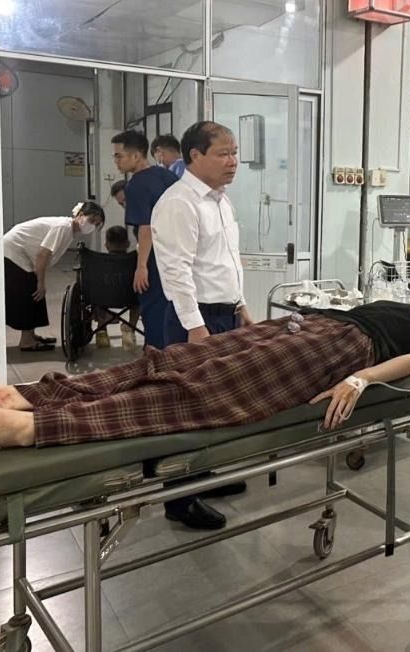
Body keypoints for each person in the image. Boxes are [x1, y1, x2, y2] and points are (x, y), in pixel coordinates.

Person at [0, 296, 410, 450]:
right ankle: (16, 396)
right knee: (172, 360)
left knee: (189, 393)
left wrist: (360, 380)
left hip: (332, 356)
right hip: (308, 330)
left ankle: (27, 429)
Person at [151, 121, 252, 529]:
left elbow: (225, 260)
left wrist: (241, 306)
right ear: (195, 156)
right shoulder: (180, 202)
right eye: (223, 154)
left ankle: (202, 474)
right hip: (195, 319)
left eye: (235, 153)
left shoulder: (220, 200)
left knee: (215, 402)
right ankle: (179, 499)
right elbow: (175, 271)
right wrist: (195, 327)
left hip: (223, 312)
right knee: (188, 407)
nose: (233, 162)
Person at [3, 202, 105, 351]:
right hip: (12, 253)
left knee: (35, 293)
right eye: (92, 220)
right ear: (81, 215)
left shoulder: (68, 229)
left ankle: (30, 335)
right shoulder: (63, 227)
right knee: (30, 292)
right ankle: (26, 341)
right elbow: (42, 255)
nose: (92, 226)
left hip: (19, 253)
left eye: (96, 224)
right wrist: (40, 282)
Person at [113, 129, 177, 351]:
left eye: (119, 156)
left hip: (155, 259)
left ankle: (156, 359)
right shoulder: (168, 176)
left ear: (136, 156)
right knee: (175, 310)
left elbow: (146, 227)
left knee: (154, 310)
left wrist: (141, 266)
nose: (116, 161)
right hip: (178, 255)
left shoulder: (137, 184)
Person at [93, 226, 140, 351]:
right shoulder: (135, 260)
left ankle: (101, 330)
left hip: (103, 299)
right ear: (128, 244)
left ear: (106, 244)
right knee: (138, 296)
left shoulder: (96, 262)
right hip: (130, 298)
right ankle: (130, 328)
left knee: (96, 292)